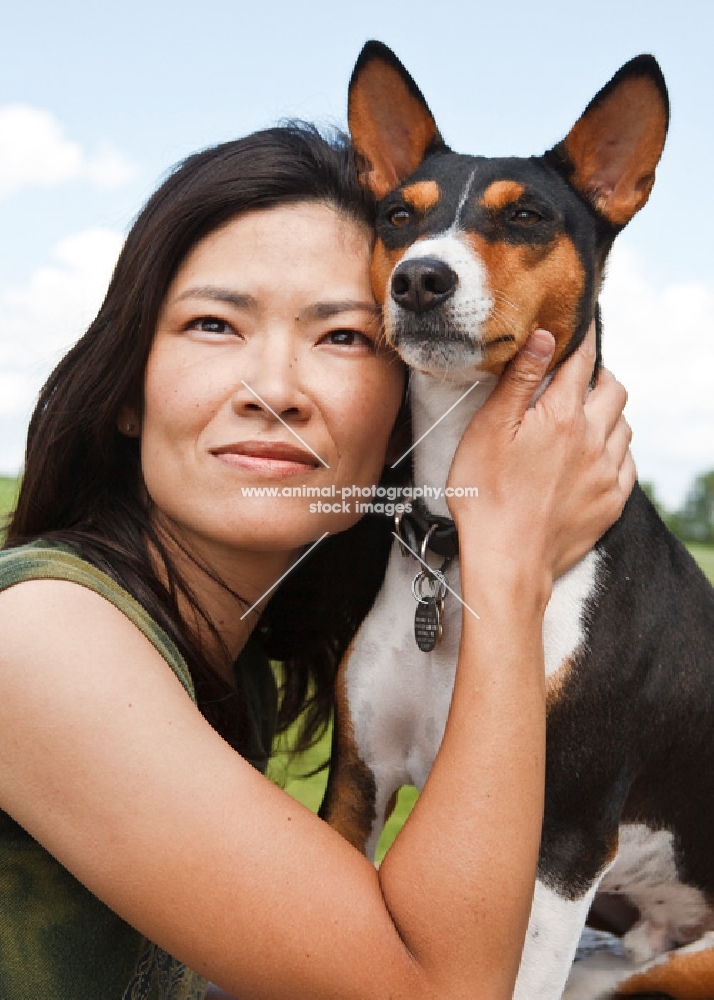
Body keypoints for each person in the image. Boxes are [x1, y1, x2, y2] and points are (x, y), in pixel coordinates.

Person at [0, 123, 634, 1000]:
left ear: (410, 398)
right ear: (126, 393)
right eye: (214, 324)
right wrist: (508, 559)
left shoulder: (233, 661)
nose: (275, 389)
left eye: (344, 337)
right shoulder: (41, 639)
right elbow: (439, 989)